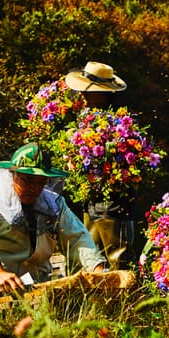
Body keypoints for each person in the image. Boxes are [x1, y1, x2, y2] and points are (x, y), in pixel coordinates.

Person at [0, 142, 107, 312]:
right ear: (12, 174)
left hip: (34, 283)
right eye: (27, 180)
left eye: (40, 182)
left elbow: (78, 239)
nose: (34, 188)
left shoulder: (55, 204)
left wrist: (99, 272)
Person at [64, 61, 137, 270]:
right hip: (92, 203)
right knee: (90, 261)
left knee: (118, 264)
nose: (84, 95)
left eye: (90, 91)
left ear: (104, 94)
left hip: (113, 207)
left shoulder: (119, 127)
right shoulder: (84, 122)